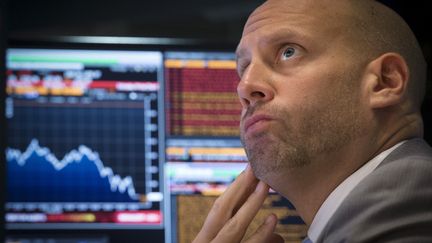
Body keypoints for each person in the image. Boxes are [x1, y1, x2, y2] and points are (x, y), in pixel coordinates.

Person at [192, 0, 432, 242]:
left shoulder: (410, 202)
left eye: (288, 52)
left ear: (385, 82)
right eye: (243, 68)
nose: (245, 87)